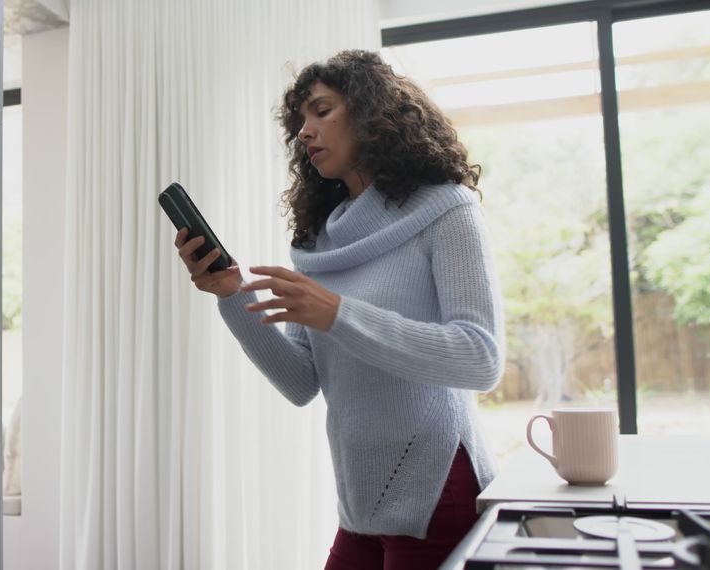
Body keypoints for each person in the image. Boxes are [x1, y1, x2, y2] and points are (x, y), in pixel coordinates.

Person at [172, 50, 505, 569]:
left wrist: (338, 314)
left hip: (436, 488)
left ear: (373, 116)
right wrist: (232, 296)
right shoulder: (320, 241)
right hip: (360, 496)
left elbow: (480, 359)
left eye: (322, 111)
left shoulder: (448, 210)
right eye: (300, 120)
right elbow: (301, 382)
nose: (305, 132)